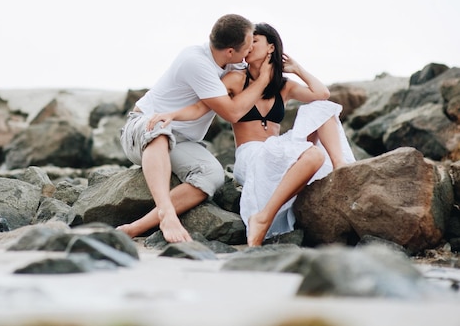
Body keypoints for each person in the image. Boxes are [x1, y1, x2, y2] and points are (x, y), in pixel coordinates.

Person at [147, 22, 355, 246]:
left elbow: (322, 93)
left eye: (254, 41)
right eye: (247, 43)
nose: (248, 47)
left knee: (321, 108)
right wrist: (171, 115)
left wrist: (297, 68)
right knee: (314, 155)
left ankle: (340, 166)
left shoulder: (283, 85)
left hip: (277, 149)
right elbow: (200, 108)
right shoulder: (235, 79)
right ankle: (263, 218)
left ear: (271, 48)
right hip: (252, 155)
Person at [118, 14, 273, 243]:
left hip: (181, 141)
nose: (250, 50)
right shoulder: (195, 61)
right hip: (143, 127)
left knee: (213, 175)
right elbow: (231, 112)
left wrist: (283, 64)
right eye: (248, 45)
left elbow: (257, 66)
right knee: (160, 130)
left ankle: (134, 228)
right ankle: (166, 214)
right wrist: (264, 80)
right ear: (230, 50)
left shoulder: (231, 61)